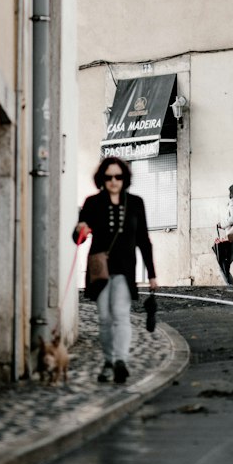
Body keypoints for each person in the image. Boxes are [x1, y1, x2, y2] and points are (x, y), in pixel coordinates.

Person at [74, 155, 157, 385]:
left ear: (124, 178)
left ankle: (120, 361)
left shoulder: (136, 203)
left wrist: (152, 274)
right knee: (104, 318)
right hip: (99, 270)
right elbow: (78, 239)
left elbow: (143, 240)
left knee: (120, 315)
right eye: (109, 177)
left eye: (118, 176)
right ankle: (109, 360)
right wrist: (80, 229)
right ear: (102, 178)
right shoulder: (92, 203)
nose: (113, 181)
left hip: (124, 269)